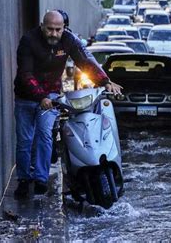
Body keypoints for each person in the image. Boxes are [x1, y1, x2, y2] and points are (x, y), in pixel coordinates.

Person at [13, 10, 122, 198]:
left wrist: (105, 81)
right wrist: (41, 98)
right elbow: (25, 74)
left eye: (58, 29)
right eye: (50, 29)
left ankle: (40, 180)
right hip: (26, 97)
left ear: (64, 28)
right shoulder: (28, 41)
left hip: (52, 95)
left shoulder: (68, 40)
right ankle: (23, 180)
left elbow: (85, 60)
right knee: (25, 140)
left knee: (44, 134)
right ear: (42, 26)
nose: (54, 34)